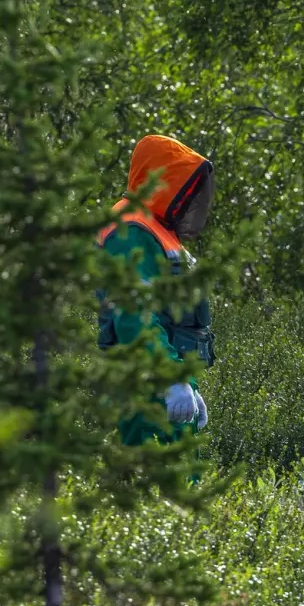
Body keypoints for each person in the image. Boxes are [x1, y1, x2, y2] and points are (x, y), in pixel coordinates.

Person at [97, 134, 216, 444]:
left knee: (176, 484)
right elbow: (136, 317)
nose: (190, 200)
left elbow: (170, 317)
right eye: (184, 187)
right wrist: (171, 381)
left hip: (161, 383)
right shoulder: (131, 230)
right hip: (144, 388)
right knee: (151, 484)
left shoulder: (156, 229)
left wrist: (189, 385)